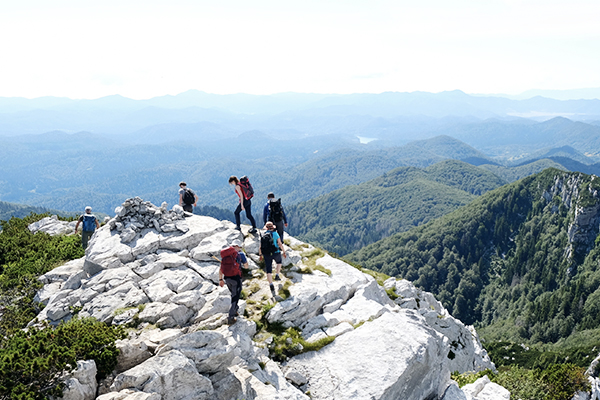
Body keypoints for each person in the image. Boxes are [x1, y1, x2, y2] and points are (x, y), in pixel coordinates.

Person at [219, 239, 248, 325]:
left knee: (233, 294)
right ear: (238, 247)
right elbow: (246, 266)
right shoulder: (240, 254)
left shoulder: (226, 256)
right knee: (235, 297)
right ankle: (231, 317)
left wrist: (221, 279)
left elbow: (221, 268)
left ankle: (235, 310)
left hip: (227, 278)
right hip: (236, 279)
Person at [259, 221, 287, 293]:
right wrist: (283, 251)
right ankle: (277, 274)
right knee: (279, 262)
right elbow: (280, 244)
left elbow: (260, 246)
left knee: (269, 269)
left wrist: (260, 255)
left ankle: (271, 284)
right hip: (275, 252)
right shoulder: (275, 233)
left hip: (266, 254)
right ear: (272, 227)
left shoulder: (263, 235)